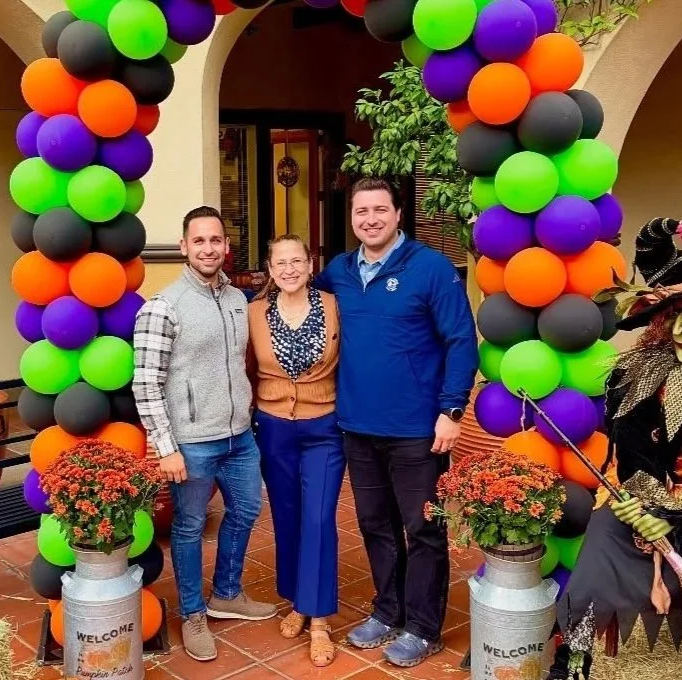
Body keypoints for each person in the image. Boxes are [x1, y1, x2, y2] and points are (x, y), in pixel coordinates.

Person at [547, 218, 682, 680]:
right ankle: (574, 657)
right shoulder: (630, 379)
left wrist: (676, 516)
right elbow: (633, 453)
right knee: (596, 566)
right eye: (670, 318)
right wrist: (647, 510)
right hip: (637, 496)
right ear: (657, 326)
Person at [313, 177, 479, 668]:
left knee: (422, 528)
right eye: (361, 211)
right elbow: (299, 298)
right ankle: (388, 610)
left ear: (398, 213)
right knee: (374, 524)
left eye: (379, 210)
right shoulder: (339, 272)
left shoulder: (431, 269)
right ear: (352, 218)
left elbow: (461, 341)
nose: (370, 219)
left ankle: (424, 627)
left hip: (417, 430)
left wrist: (451, 410)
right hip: (357, 425)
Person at [132, 206, 277, 663]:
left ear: (226, 246)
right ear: (184, 246)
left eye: (216, 240)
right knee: (190, 526)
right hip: (192, 442)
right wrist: (165, 447)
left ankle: (227, 593)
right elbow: (146, 383)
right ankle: (193, 613)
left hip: (240, 436)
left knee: (247, 509)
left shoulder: (237, 300)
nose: (208, 248)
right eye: (199, 241)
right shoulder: (163, 307)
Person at [247, 234, 344, 668]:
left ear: (310, 265)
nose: (289, 269)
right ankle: (299, 602)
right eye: (280, 263)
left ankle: (319, 619)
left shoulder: (335, 306)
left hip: (325, 426)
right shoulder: (253, 313)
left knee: (319, 518)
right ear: (270, 270)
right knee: (286, 517)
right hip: (273, 427)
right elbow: (244, 367)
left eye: (297, 261)